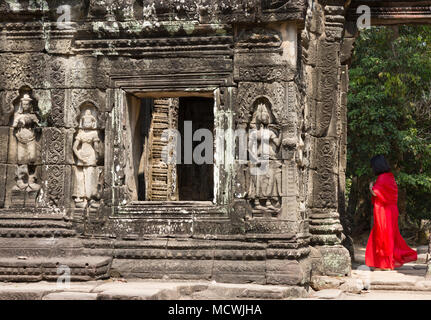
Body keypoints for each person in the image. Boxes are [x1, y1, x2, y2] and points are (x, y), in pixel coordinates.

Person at [365, 155, 417, 270]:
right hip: (391, 210)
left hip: (385, 212)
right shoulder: (390, 177)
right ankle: (385, 263)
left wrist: (370, 187)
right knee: (388, 235)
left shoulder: (382, 178)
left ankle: (385, 264)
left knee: (383, 236)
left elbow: (376, 193)